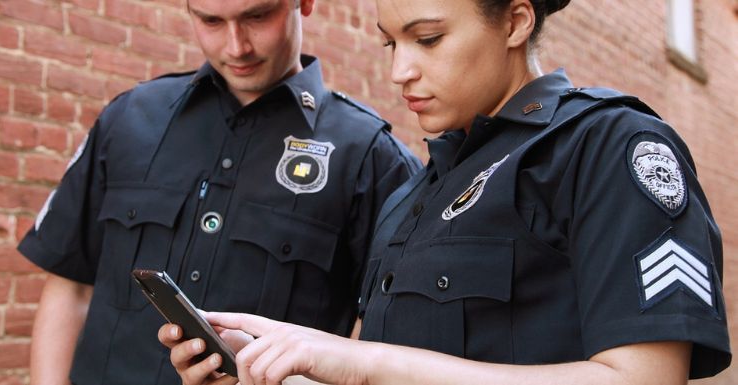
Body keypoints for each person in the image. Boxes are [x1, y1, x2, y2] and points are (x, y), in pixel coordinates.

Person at [160, 0, 732, 384]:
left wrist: (366, 361)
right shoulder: (410, 197)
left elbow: (644, 378)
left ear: (514, 22)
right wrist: (283, 367)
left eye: (427, 39)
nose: (399, 72)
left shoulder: (606, 146)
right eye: (390, 45)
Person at [17, 0, 421, 384]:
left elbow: (378, 343)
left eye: (257, 16)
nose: (237, 46)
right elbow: (70, 288)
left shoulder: (373, 159)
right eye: (211, 20)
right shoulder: (129, 118)